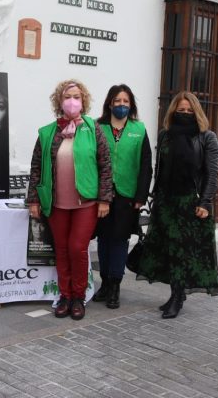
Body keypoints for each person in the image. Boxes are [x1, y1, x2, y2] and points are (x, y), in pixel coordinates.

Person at [27, 79, 113, 321]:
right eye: (67, 97)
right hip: (56, 203)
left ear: (83, 100)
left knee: (77, 247)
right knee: (62, 249)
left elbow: (105, 165)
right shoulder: (47, 132)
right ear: (59, 101)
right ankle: (64, 296)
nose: (72, 101)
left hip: (86, 202)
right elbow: (36, 168)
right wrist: (33, 200)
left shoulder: (94, 129)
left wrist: (104, 199)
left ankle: (78, 296)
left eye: (76, 96)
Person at [136, 92, 218, 319]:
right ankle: (177, 293)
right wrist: (155, 196)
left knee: (183, 252)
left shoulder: (207, 137)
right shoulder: (166, 135)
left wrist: (205, 202)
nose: (185, 113)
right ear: (173, 111)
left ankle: (177, 297)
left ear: (197, 112)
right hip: (166, 202)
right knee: (170, 251)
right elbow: (161, 169)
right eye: (181, 110)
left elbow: (212, 174)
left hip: (190, 203)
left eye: (189, 110)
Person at [93, 85, 152, 309]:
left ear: (131, 105)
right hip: (101, 194)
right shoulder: (97, 127)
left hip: (127, 195)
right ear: (110, 103)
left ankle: (115, 285)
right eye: (117, 101)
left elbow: (146, 164)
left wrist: (141, 195)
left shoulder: (139, 129)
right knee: (103, 239)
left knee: (119, 240)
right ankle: (105, 283)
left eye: (125, 101)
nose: (121, 105)